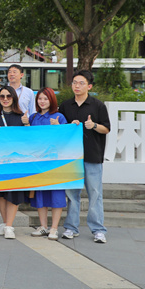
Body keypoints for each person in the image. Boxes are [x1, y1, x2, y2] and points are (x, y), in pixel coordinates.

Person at [59, 70, 111, 244]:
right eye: (74, 82)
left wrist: (93, 125)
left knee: (95, 193)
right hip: (71, 157)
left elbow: (106, 128)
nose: (77, 86)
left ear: (89, 86)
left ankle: (98, 230)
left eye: (81, 83)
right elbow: (60, 129)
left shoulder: (98, 106)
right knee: (72, 193)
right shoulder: (65, 106)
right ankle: (71, 228)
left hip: (92, 155)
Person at [0, 86, 29, 239]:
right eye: (2, 96)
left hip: (17, 162)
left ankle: (10, 226)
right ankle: (5, 224)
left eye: (8, 96)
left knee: (14, 193)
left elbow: (29, 139)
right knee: (1, 193)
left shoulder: (22, 117)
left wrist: (27, 124)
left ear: (14, 98)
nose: (5, 99)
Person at [28, 87, 68, 241]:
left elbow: (66, 139)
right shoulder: (33, 117)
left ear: (52, 100)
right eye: (40, 98)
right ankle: (43, 226)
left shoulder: (59, 117)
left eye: (45, 98)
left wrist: (59, 128)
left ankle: (54, 228)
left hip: (55, 163)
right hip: (38, 163)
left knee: (56, 195)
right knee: (40, 195)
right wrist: (25, 125)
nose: (42, 101)